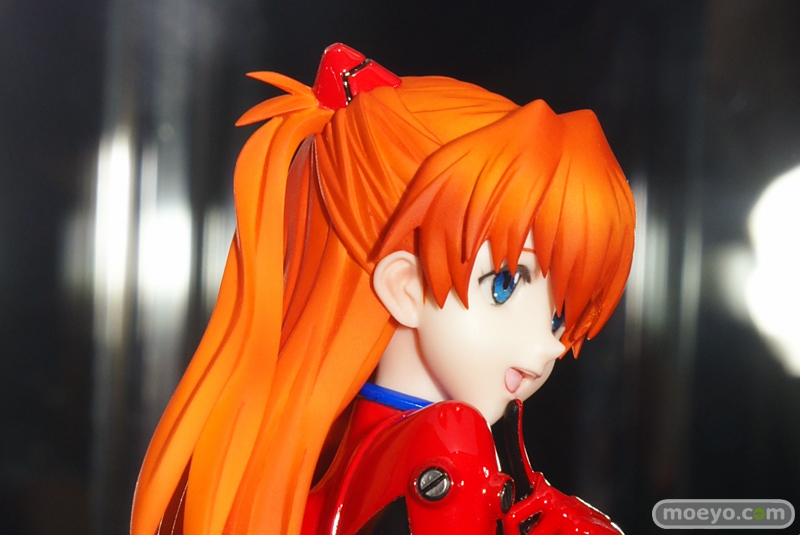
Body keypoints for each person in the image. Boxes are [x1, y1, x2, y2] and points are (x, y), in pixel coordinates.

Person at [130, 43, 635, 535]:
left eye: (558, 316)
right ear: (405, 286)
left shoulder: (342, 450)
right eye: (504, 285)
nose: (548, 346)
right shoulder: (450, 442)